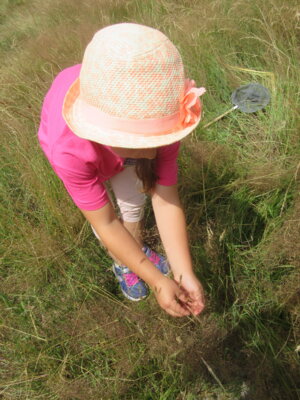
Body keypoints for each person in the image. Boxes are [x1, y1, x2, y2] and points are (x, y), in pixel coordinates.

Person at [38, 23, 206, 317]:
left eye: (159, 140)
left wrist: (183, 272)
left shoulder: (161, 116)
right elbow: (105, 223)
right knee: (110, 219)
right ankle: (124, 262)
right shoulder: (68, 151)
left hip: (113, 139)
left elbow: (165, 199)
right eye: (139, 144)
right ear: (106, 135)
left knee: (133, 205)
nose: (155, 152)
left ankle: (135, 249)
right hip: (85, 153)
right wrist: (156, 280)